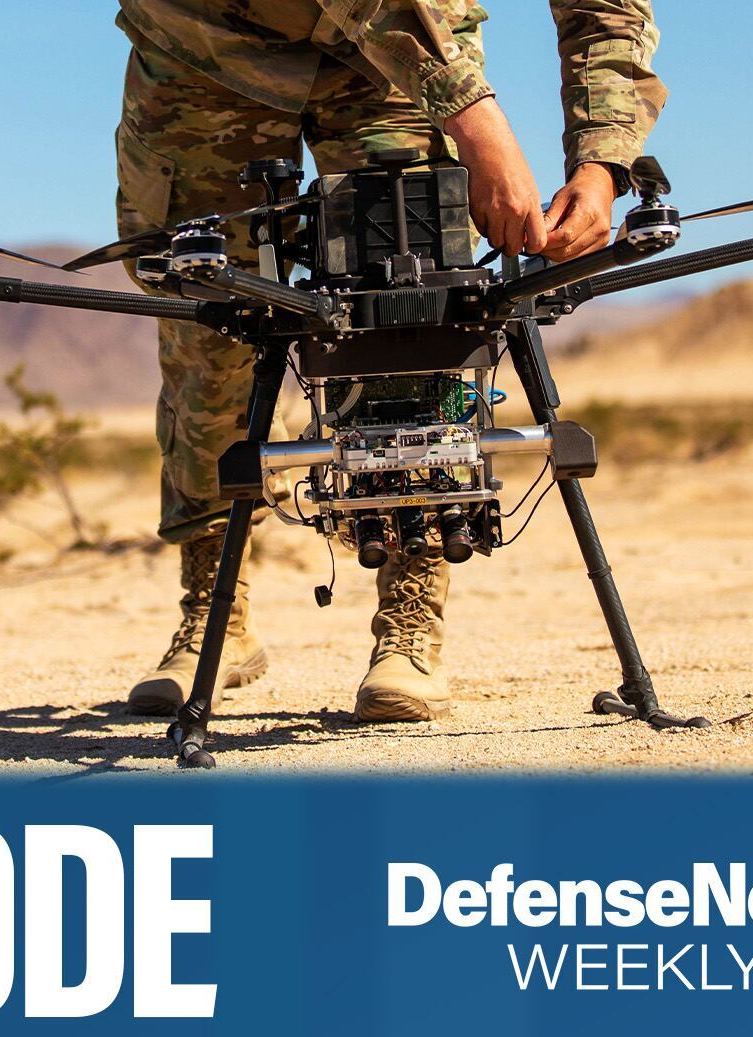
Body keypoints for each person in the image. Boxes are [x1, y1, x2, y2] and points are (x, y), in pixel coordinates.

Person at [114, 1, 666, 722]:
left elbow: (607, 11)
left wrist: (602, 164)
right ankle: (213, 618)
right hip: (205, 45)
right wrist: (479, 126)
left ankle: (410, 624)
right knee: (209, 332)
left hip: (402, 61)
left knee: (412, 311)